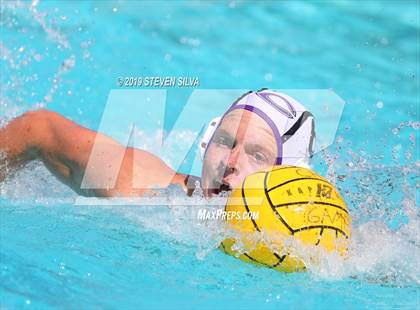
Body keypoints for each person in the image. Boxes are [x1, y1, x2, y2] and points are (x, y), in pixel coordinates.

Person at [0, 89, 315, 198]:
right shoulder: (140, 188)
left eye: (257, 155)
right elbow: (37, 128)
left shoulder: (311, 240)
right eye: (224, 141)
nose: (228, 163)